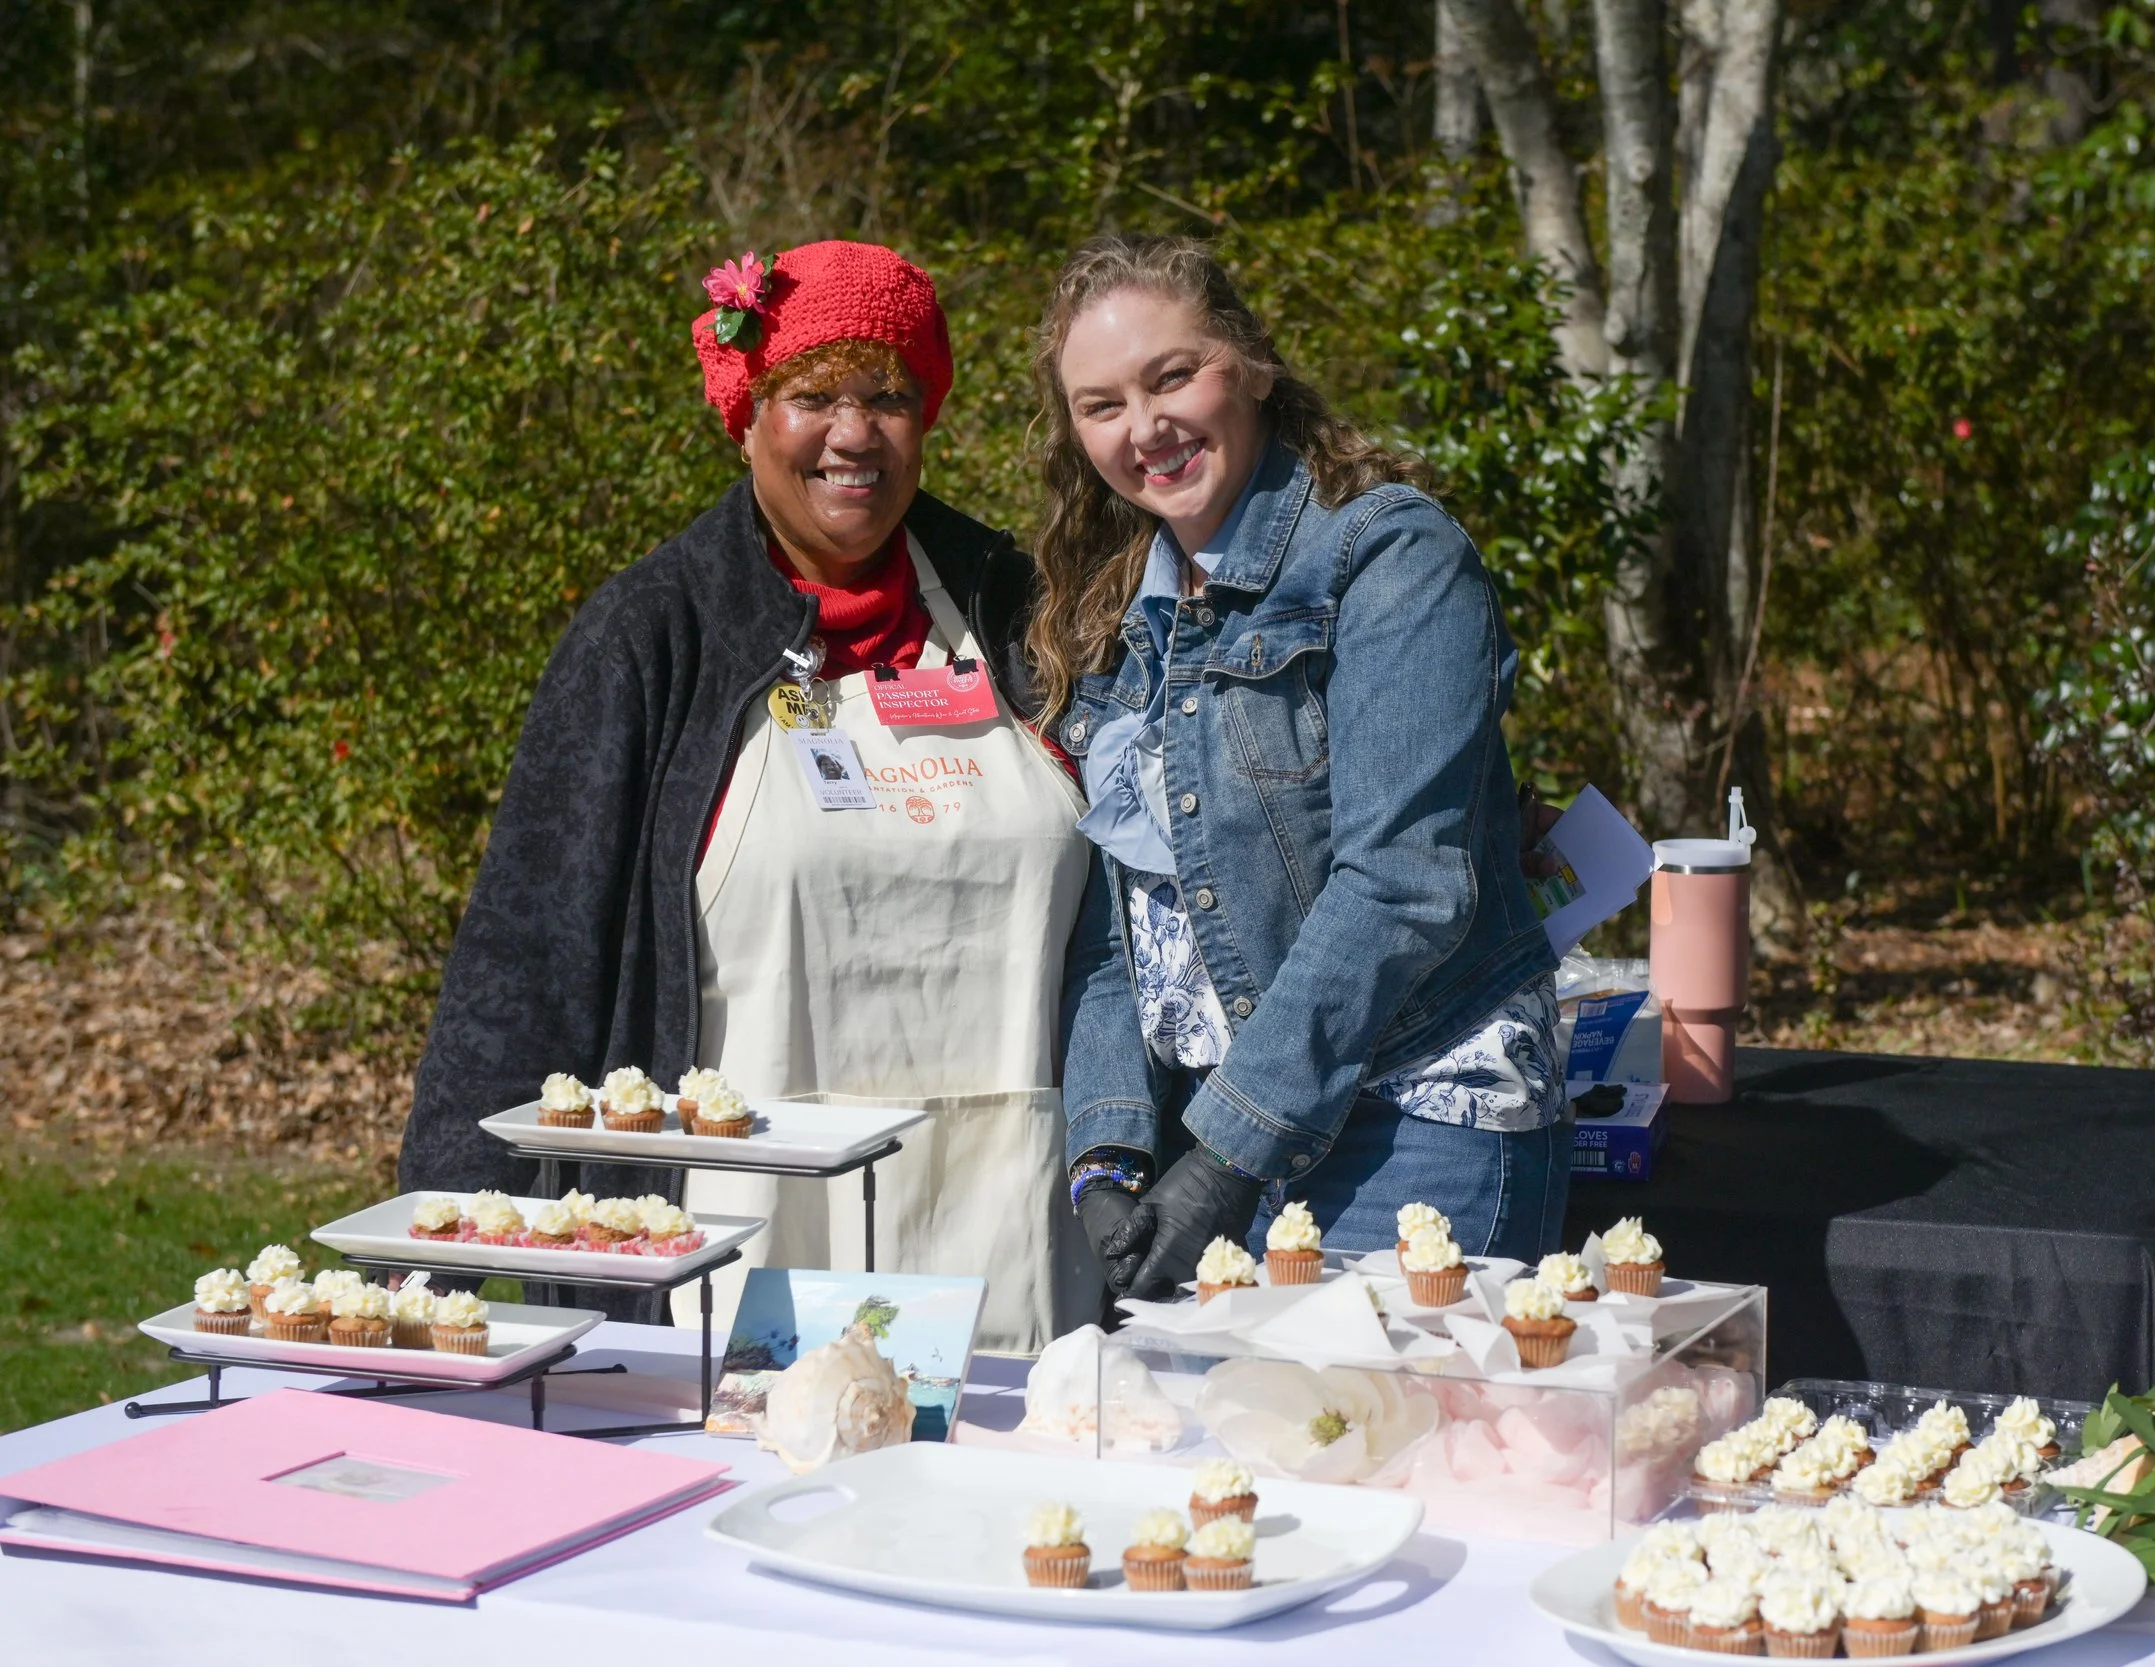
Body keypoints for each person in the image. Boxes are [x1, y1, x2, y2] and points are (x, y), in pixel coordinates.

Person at [399, 240, 1095, 1350]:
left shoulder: (1021, 605)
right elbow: (527, 961)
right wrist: (444, 1266)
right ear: (747, 411)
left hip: (1013, 1234)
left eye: (889, 396)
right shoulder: (652, 638)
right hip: (737, 1244)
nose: (853, 433)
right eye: (811, 394)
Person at [1031, 236, 1570, 1303]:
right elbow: (1113, 927)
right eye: (1102, 405)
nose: (1145, 427)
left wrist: (1227, 1156)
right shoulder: (1103, 611)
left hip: (1411, 1128)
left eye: (1173, 375)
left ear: (1252, 364)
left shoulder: (1391, 559)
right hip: (1206, 1142)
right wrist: (1109, 1152)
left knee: (1381, 1461)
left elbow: (1404, 885)